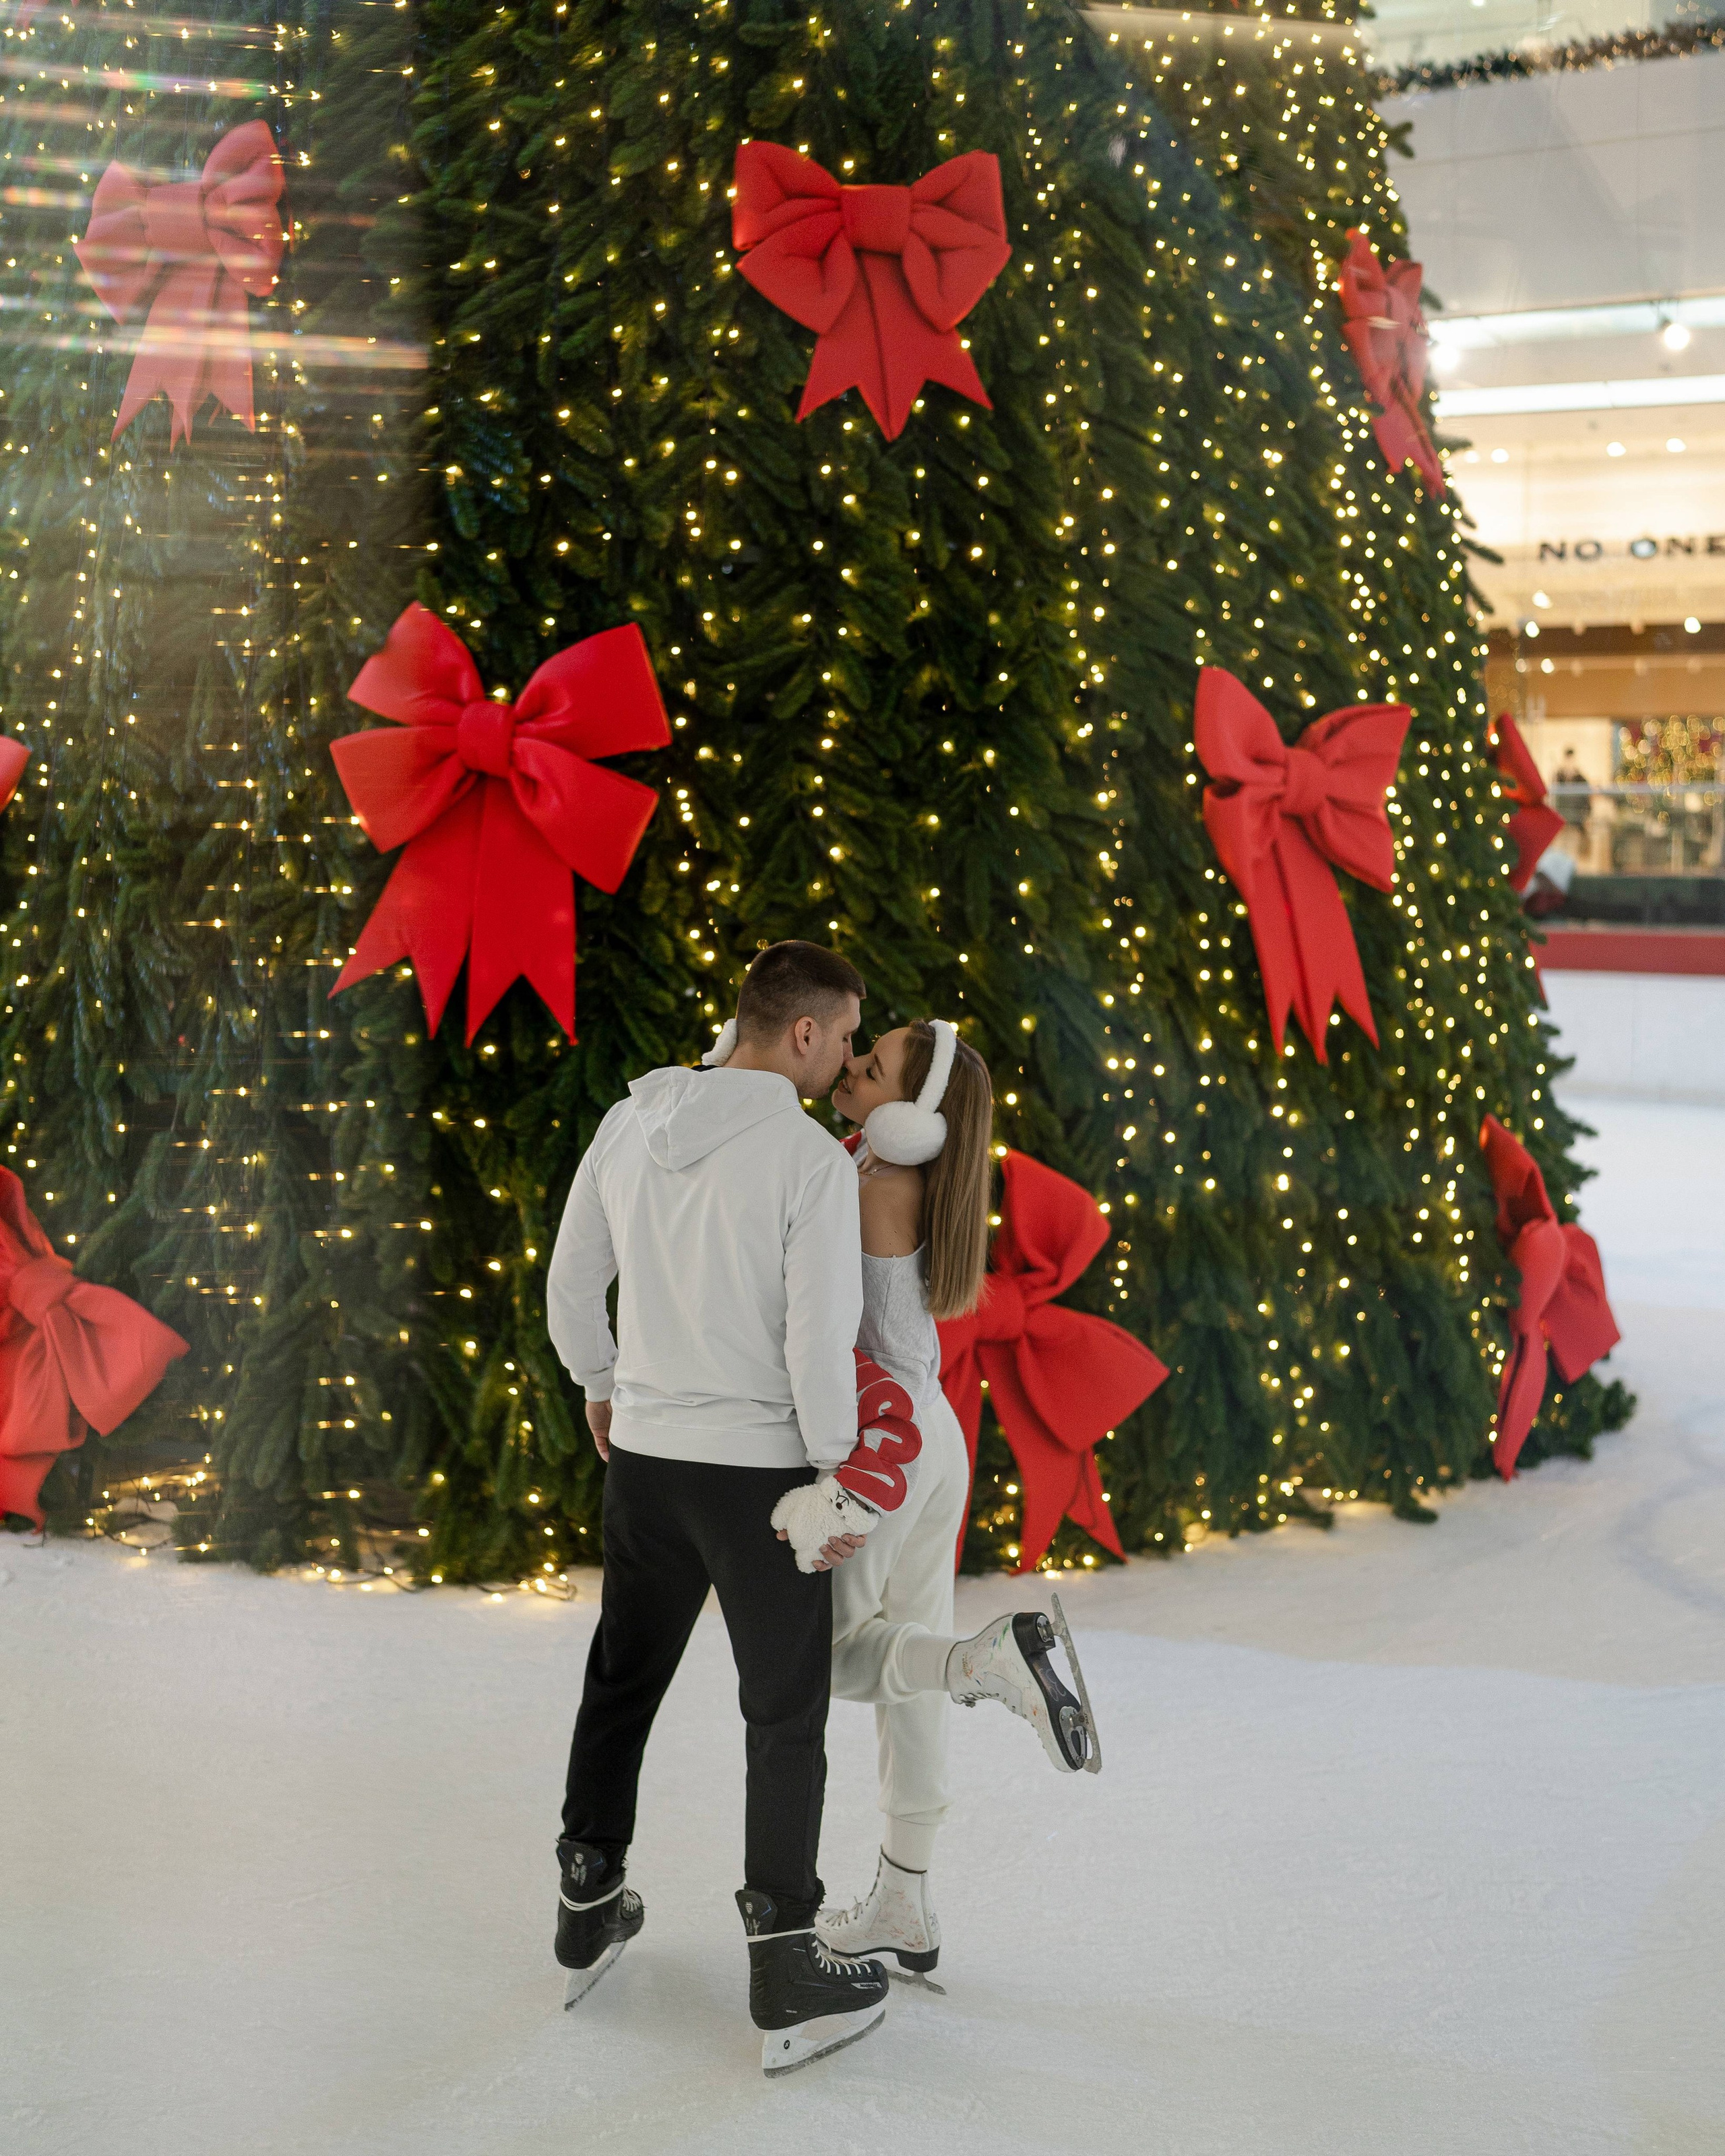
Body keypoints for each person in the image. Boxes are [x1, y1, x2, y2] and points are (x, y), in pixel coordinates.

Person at [544, 940, 891, 2077]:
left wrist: (600, 1379)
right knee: (783, 1713)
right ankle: (788, 1959)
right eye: (844, 1036)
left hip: (644, 1457)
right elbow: (815, 1333)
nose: (845, 1056)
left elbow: (569, 1277)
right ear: (801, 1032)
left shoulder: (631, 1120)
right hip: (761, 1475)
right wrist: (838, 1474)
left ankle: (587, 1898)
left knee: (622, 1676)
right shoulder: (807, 1162)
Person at [772, 1018, 1100, 1987]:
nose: (850, 1070)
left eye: (871, 1072)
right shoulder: (895, 1173)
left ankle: (984, 1660)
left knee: (834, 1656)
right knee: (901, 1665)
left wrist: (846, 1480)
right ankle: (904, 1897)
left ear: (918, 1120)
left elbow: (840, 1338)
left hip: (885, 1446)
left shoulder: (877, 1187)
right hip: (931, 1437)